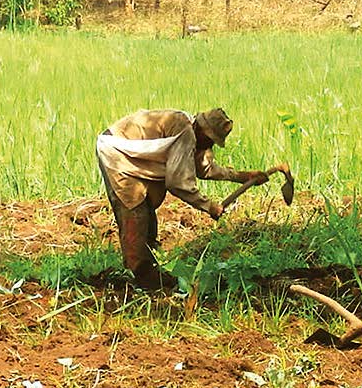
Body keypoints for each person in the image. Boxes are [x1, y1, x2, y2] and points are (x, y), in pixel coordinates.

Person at [96, 108, 268, 289]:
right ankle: (140, 273)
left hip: (130, 154)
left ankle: (148, 262)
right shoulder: (185, 133)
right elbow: (177, 183)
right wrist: (209, 206)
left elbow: (204, 168)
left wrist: (242, 176)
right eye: (210, 141)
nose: (210, 146)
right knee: (134, 209)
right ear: (203, 132)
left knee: (145, 208)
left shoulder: (192, 132)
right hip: (116, 152)